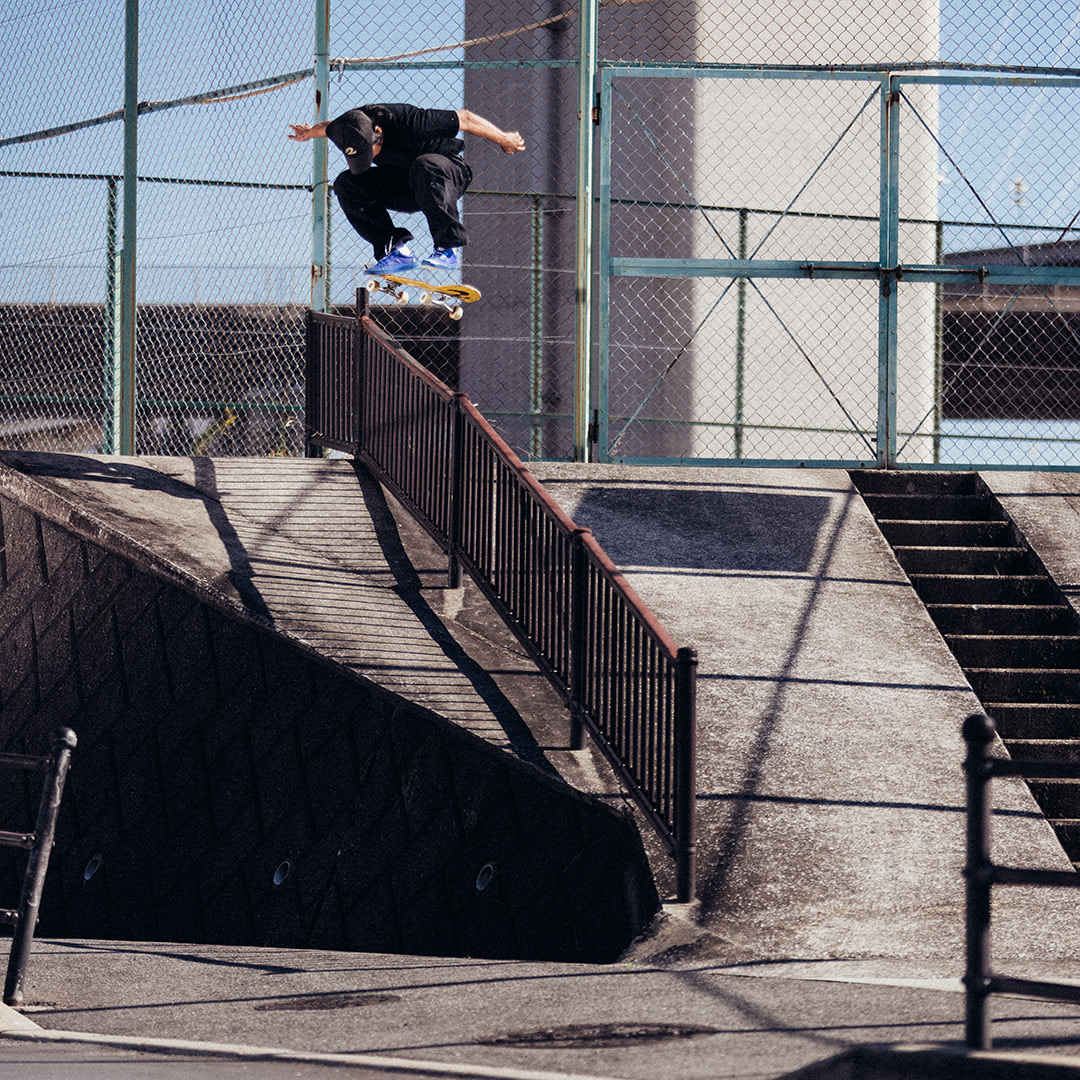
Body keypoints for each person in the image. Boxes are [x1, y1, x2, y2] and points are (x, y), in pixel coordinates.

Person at [288, 103, 526, 274]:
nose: (370, 159)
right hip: (406, 182)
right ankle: (395, 251)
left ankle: (447, 247)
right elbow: (329, 127)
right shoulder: (348, 128)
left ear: (378, 133)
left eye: (370, 154)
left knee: (424, 164)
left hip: (447, 173)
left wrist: (504, 139)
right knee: (346, 183)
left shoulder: (411, 121)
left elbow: (466, 118)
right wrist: (308, 133)